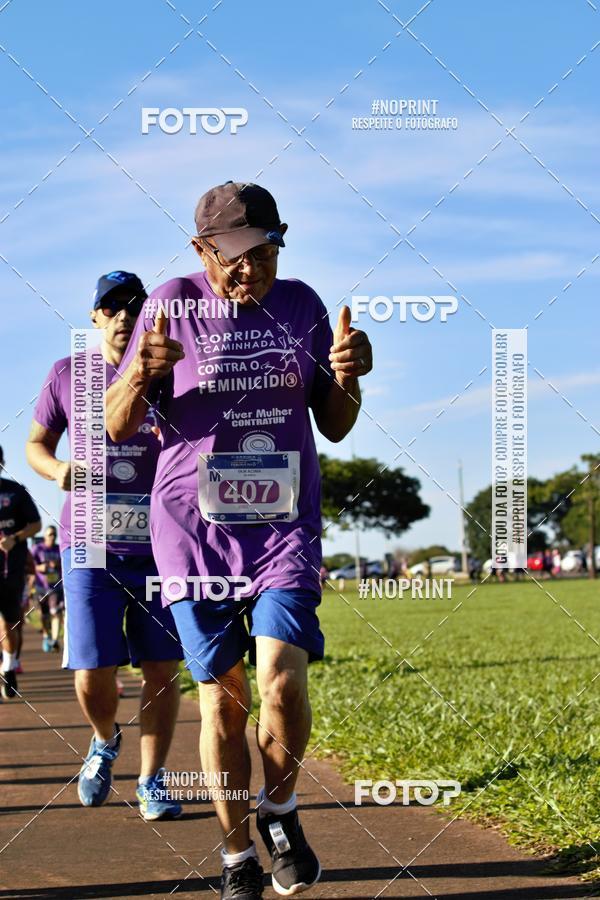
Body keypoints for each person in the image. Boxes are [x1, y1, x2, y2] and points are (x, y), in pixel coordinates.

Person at [106, 182, 373, 899]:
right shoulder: (170, 301)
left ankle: (280, 811)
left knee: (282, 684)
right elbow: (118, 424)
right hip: (193, 534)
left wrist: (349, 379)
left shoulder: (303, 307)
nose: (250, 268)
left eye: (265, 250)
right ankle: (234, 856)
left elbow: (337, 422)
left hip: (283, 526)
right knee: (224, 702)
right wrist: (139, 370)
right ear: (201, 252)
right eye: (233, 256)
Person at [26, 271, 184, 819]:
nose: (123, 315)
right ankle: (103, 738)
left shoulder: (175, 372)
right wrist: (56, 470)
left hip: (164, 543)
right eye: (111, 306)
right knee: (93, 669)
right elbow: (35, 444)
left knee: (162, 667)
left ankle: (152, 780)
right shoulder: (67, 372)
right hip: (89, 539)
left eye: (133, 305)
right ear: (94, 316)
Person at [0, 446, 42, 698]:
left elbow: (36, 524)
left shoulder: (15, 491)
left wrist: (15, 538)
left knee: (9, 623)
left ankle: (8, 667)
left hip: (9, 570)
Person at [32, 526, 64, 652]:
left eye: (54, 535)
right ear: (44, 536)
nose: (52, 537)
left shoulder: (59, 549)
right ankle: (47, 636)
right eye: (50, 534)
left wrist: (57, 564)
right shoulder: (37, 549)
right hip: (41, 588)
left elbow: (67, 563)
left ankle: (55, 640)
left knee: (56, 612)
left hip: (55, 588)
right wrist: (39, 568)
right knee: (44, 616)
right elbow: (30, 564)